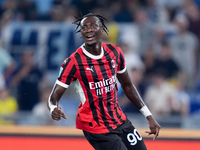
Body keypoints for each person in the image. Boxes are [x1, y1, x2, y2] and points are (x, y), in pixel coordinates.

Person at [47, 13, 160, 150]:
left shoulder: (115, 52)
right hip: (95, 126)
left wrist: (148, 115)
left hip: (119, 120)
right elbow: (53, 98)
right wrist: (53, 109)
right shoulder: (73, 62)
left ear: (101, 30)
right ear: (81, 32)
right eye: (84, 27)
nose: (88, 30)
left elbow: (128, 85)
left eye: (93, 26)